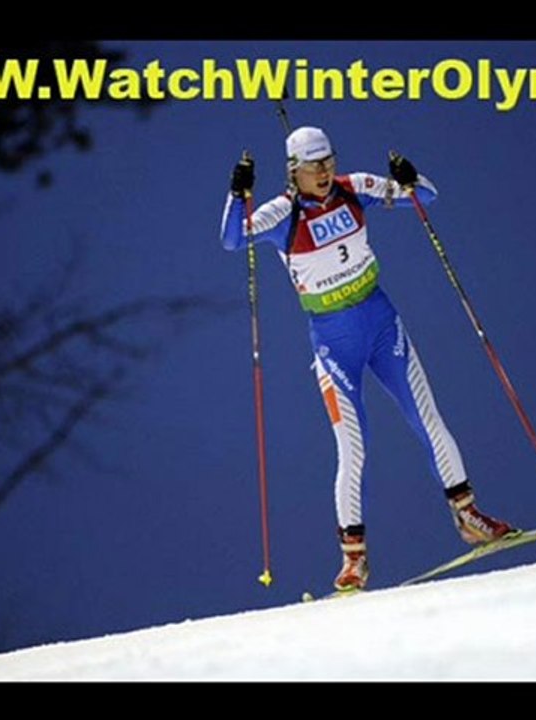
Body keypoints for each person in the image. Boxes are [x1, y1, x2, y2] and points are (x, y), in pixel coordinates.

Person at [220, 126, 517, 591]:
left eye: (328, 162)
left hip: (381, 324)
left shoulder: (353, 187)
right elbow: (233, 239)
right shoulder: (282, 213)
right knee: (352, 449)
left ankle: (468, 516)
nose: (324, 173)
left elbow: (427, 197)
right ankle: (353, 559)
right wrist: (237, 193)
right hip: (333, 342)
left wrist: (409, 175)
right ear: (293, 171)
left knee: (429, 420)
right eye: (314, 167)